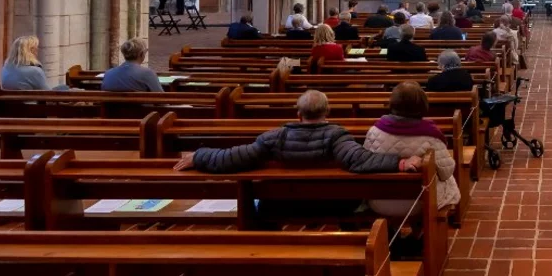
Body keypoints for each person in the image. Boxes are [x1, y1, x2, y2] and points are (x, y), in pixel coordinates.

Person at [175, 89, 421, 175]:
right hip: (333, 204)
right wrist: (400, 163)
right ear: (327, 113)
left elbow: (233, 157)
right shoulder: (336, 135)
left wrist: (200, 156)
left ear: (298, 114)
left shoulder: (274, 137)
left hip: (280, 205)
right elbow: (360, 160)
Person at [362, 83, 460, 217]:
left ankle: (391, 231)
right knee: (448, 180)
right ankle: (425, 232)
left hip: (379, 200)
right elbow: (446, 171)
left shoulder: (375, 131)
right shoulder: (431, 135)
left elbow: (366, 162)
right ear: (422, 104)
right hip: (421, 202)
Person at [0, 34, 66, 91]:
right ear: (30, 51)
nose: (37, 51)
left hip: (10, 104)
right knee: (68, 89)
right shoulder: (35, 71)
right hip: (32, 104)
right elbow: (47, 94)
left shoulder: (5, 68)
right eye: (36, 48)